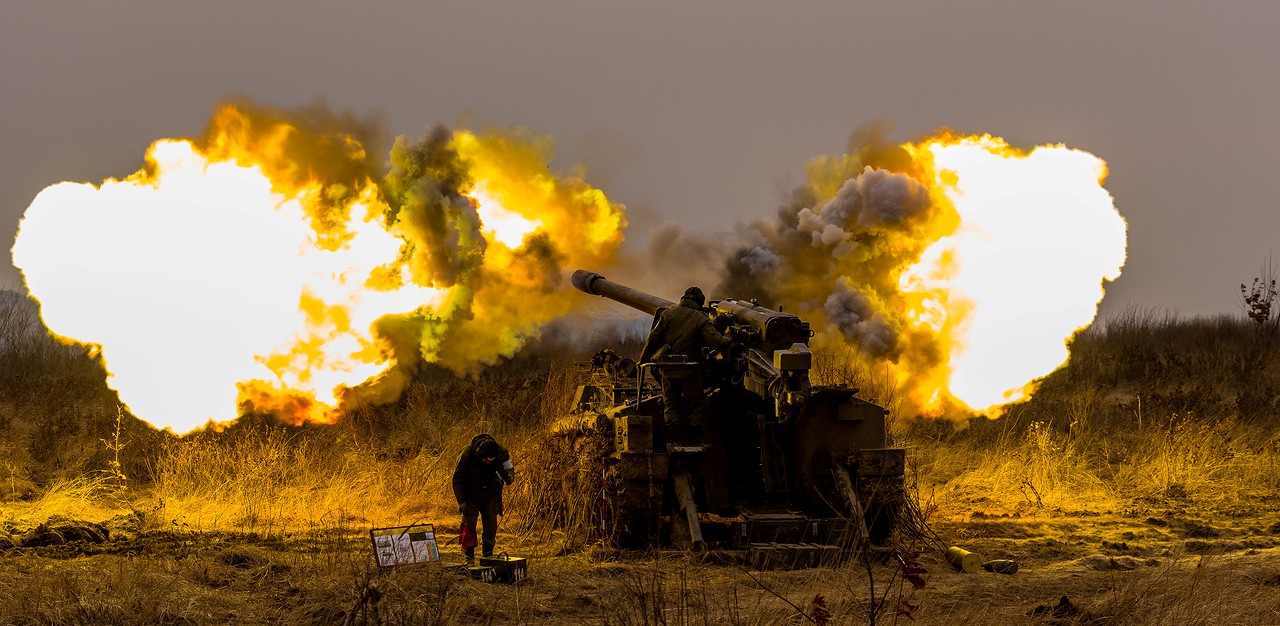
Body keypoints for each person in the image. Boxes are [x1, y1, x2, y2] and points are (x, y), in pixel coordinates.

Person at [639, 286, 732, 446]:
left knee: (670, 404)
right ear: (699, 301)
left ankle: (673, 439)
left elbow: (652, 339)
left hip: (667, 370)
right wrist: (730, 337)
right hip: (689, 371)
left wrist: (642, 360)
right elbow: (715, 341)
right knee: (695, 405)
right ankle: (696, 439)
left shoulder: (668, 314)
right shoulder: (700, 318)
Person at [452, 433, 515, 564]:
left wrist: (509, 476)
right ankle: (469, 557)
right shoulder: (466, 455)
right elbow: (457, 479)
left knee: (491, 522)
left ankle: (488, 555)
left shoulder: (501, 452)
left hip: (490, 491)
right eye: (485, 459)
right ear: (479, 455)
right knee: (469, 524)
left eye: (490, 460)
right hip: (469, 493)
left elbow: (509, 467)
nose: (487, 462)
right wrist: (462, 501)